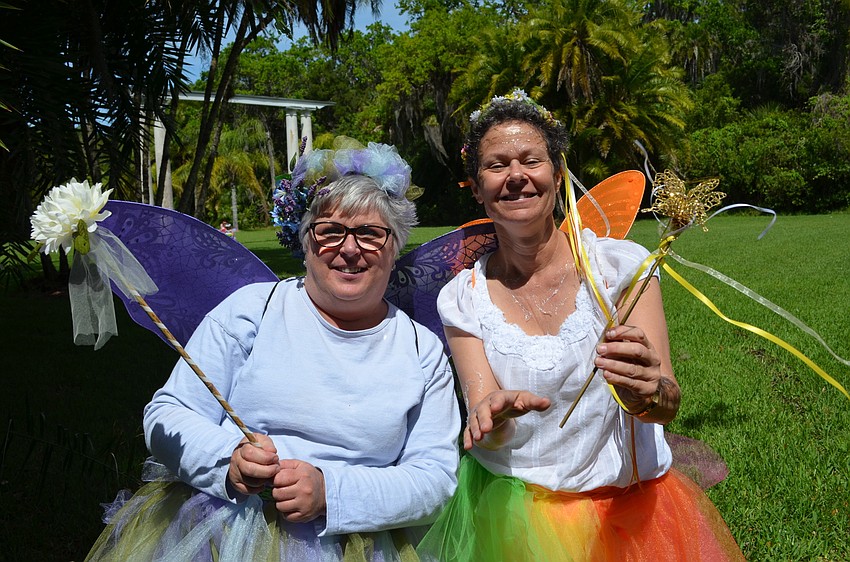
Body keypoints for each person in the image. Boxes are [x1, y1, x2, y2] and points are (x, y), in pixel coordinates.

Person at [87, 142, 460, 561]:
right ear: (305, 241)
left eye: (371, 234)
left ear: (395, 247)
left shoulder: (422, 350)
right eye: (330, 231)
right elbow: (166, 415)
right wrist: (227, 461)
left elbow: (434, 479)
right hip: (222, 533)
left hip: (359, 541)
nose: (350, 249)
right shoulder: (252, 311)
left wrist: (330, 493)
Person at [416, 90, 744, 561]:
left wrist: (647, 392)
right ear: (475, 185)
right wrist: (493, 413)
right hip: (516, 524)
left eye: (531, 160)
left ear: (557, 172)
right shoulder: (464, 298)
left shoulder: (618, 269)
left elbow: (666, 402)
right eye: (496, 165)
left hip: (632, 517)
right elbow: (484, 413)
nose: (516, 176)